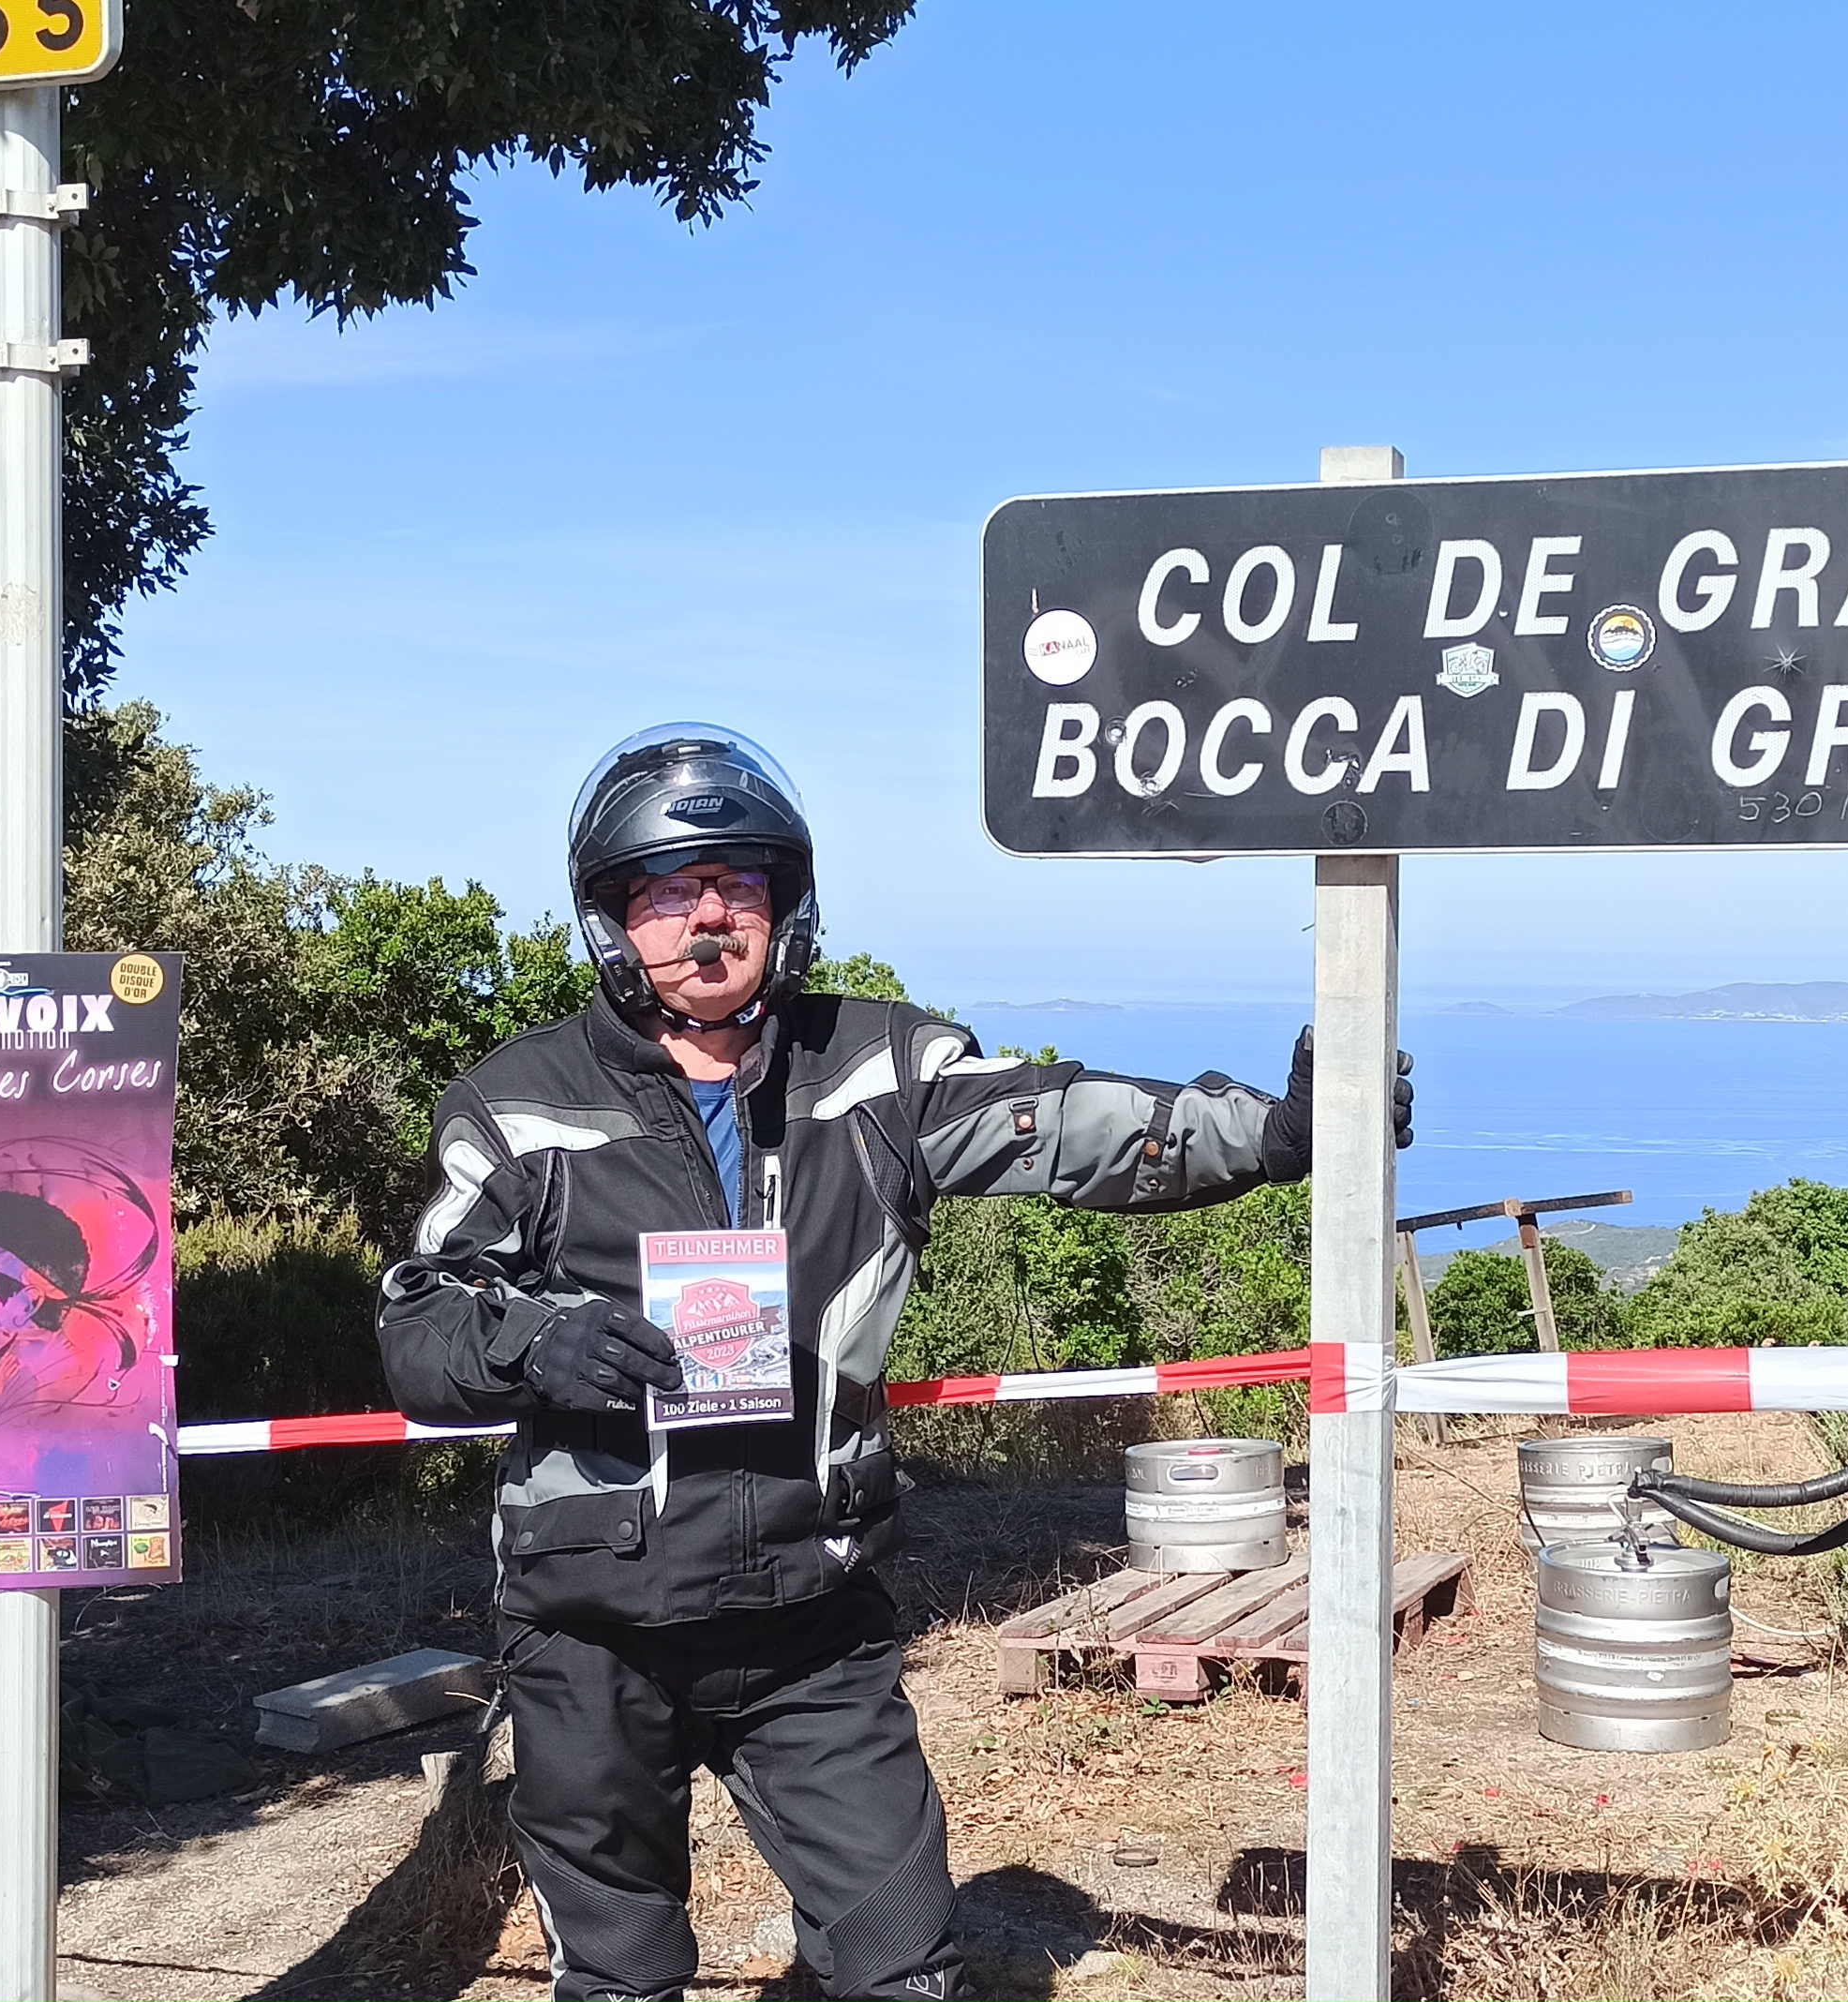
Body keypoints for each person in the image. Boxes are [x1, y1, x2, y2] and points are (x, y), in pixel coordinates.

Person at [374, 724, 1408, 2002]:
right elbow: (418, 1320)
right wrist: (540, 1340)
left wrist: (1279, 1131)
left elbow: (1068, 1125)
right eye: (668, 890)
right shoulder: (516, 1103)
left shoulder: (878, 1071)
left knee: (901, 1962)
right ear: (612, 919)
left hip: (814, 1615)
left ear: (788, 905)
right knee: (622, 1975)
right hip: (594, 1627)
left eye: (738, 883)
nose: (709, 917)